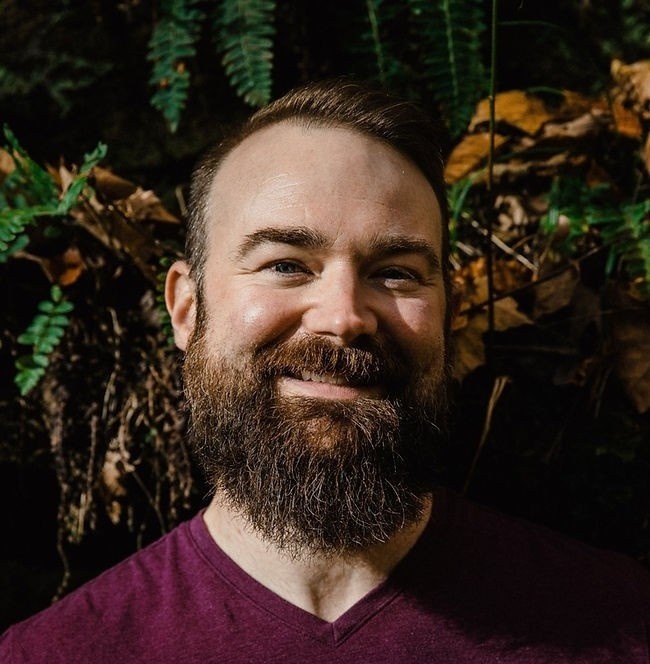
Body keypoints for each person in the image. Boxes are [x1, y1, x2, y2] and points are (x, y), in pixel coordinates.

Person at [1, 79, 648, 663]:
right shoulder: (52, 655)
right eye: (285, 264)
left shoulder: (620, 622)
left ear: (450, 313)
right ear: (186, 309)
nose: (344, 317)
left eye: (395, 272)